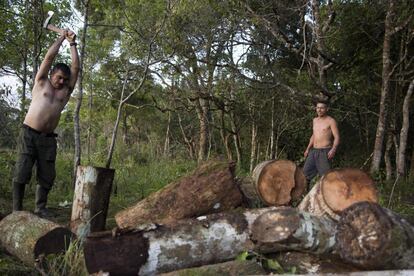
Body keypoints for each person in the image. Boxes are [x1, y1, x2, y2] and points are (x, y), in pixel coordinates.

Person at [12, 30, 79, 217]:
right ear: (51, 75)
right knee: (22, 170)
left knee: (47, 175)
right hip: (29, 134)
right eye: (59, 77)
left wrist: (72, 44)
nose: (62, 81)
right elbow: (49, 58)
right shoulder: (41, 82)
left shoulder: (64, 93)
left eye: (64, 79)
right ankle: (16, 210)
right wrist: (61, 38)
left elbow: (75, 69)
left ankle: (40, 208)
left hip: (48, 139)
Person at [303, 100, 340, 184]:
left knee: (326, 178)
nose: (319, 110)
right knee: (305, 174)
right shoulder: (315, 120)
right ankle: (306, 196)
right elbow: (314, 135)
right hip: (313, 151)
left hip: (324, 152)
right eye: (318, 108)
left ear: (327, 109)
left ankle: (329, 195)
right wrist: (308, 148)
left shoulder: (331, 121)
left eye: (322, 108)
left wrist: (333, 149)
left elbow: (337, 137)